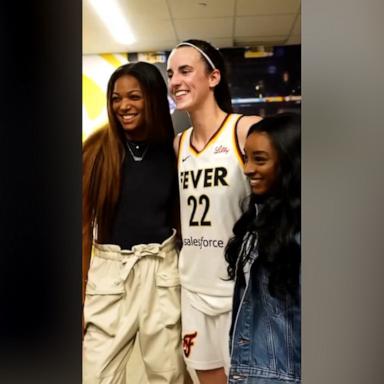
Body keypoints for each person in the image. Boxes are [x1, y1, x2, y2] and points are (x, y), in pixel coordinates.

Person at [82, 62, 185, 383]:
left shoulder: (177, 150)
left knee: (167, 375)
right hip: (110, 275)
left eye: (134, 97)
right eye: (116, 98)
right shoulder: (97, 150)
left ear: (153, 98)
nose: (123, 106)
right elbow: (83, 228)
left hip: (162, 271)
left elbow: (182, 225)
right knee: (95, 375)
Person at [166, 39, 262, 384]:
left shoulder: (244, 130)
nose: (175, 81)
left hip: (240, 289)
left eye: (185, 70)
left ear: (213, 77)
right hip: (192, 287)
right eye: (171, 73)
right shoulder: (178, 145)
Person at [225, 113, 301, 383]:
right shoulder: (258, 221)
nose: (247, 169)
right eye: (246, 158)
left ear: (290, 163)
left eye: (260, 159)